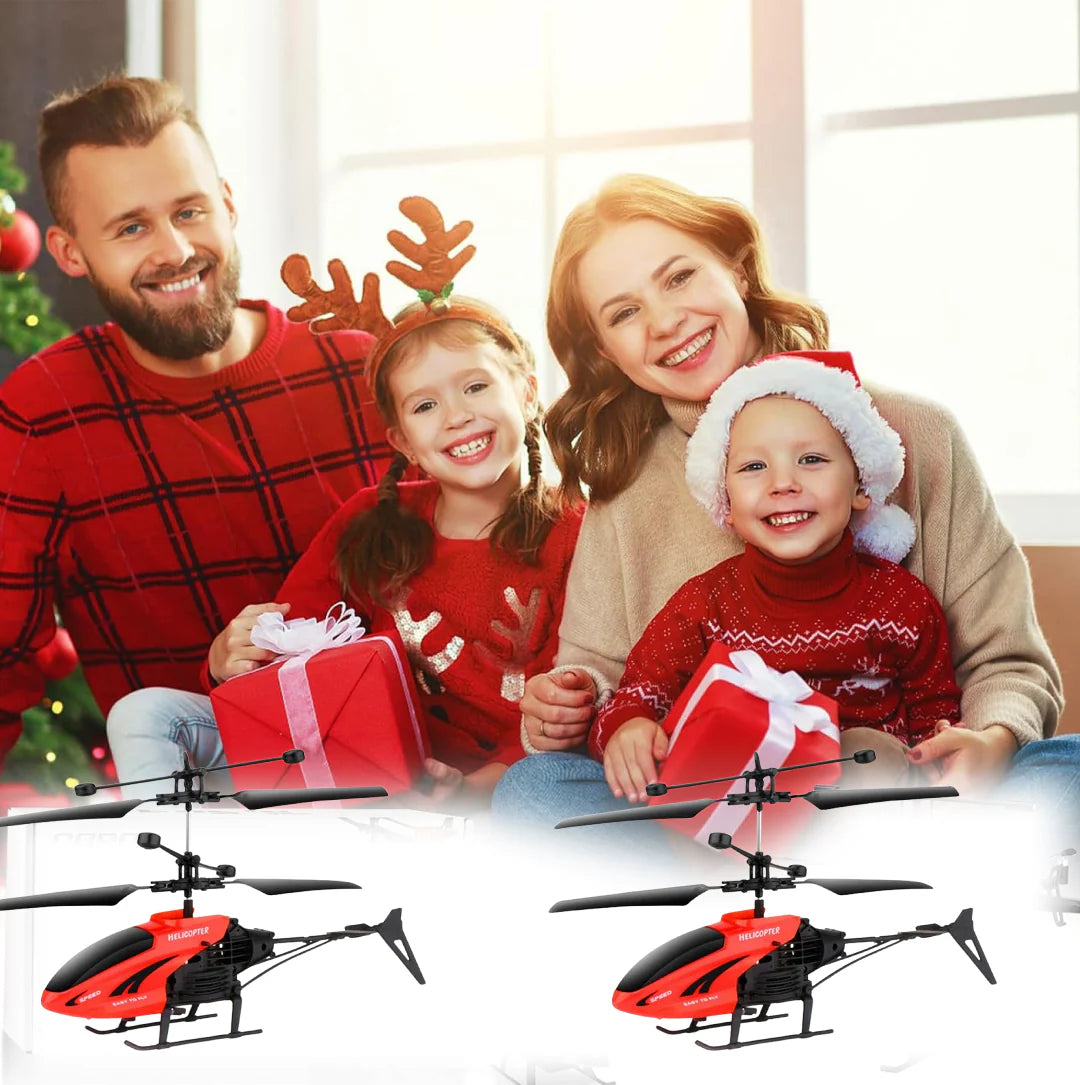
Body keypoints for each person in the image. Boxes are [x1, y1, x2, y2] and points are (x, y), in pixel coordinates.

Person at [494, 173, 1070, 824]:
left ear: (737, 269)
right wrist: (568, 705)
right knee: (534, 790)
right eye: (624, 312)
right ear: (605, 350)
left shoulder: (918, 436)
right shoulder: (624, 491)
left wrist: (992, 743)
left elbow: (1006, 660)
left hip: (899, 789)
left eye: (679, 277)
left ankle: (885, 868)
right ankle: (754, 889)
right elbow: (600, 680)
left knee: (1067, 769)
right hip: (711, 812)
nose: (665, 321)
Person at [108, 197, 583, 803]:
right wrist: (233, 656)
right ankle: (182, 862)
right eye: (425, 405)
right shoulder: (368, 520)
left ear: (528, 392)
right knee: (144, 714)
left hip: (486, 790)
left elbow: (575, 702)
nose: (458, 416)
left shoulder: (578, 533)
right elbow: (286, 649)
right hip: (340, 758)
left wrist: (473, 791)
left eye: (476, 386)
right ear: (402, 442)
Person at [0, 75, 398, 766]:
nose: (176, 250)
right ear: (69, 253)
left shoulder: (368, 377)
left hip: (412, 791)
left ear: (229, 203)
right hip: (196, 821)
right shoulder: (45, 411)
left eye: (189, 211)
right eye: (131, 227)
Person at [594, 351, 960, 802]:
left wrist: (942, 752)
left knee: (869, 753)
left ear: (861, 485)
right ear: (724, 500)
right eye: (753, 467)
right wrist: (629, 727)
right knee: (543, 782)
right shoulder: (706, 604)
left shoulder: (901, 602)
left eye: (810, 459)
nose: (782, 483)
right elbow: (642, 690)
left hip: (859, 801)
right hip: (737, 802)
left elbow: (937, 713)